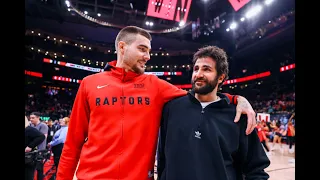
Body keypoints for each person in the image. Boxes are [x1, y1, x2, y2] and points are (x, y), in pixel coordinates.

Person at [57, 26, 257, 180]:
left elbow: (198, 95)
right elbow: (73, 144)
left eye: (149, 51)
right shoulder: (89, 84)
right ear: (122, 47)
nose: (148, 56)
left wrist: (236, 99)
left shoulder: (155, 85)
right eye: (142, 49)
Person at [157, 46, 270, 180]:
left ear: (221, 77)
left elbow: (256, 170)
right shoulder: (172, 108)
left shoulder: (238, 116)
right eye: (196, 68)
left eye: (206, 69)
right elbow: (163, 159)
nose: (198, 74)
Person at [25, 116, 46, 180]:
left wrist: (30, 146)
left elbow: (41, 137)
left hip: (28, 158)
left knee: (28, 176)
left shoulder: (29, 129)